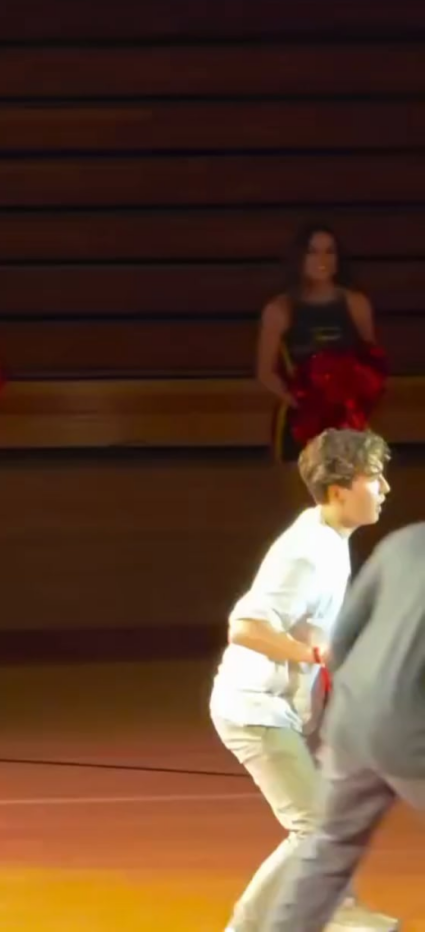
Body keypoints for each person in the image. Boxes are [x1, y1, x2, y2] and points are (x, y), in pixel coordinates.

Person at [209, 427, 397, 931]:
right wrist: (314, 653)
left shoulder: (328, 540)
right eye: (375, 478)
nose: (385, 489)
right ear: (341, 489)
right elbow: (245, 626)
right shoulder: (306, 551)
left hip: (279, 711)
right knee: (316, 830)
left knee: (322, 828)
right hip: (255, 711)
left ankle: (337, 915)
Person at [264, 522, 425, 932]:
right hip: (413, 733)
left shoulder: (401, 542)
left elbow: (340, 645)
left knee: (329, 847)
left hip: (351, 724)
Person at [256, 224, 377, 464]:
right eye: (313, 251)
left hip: (348, 422)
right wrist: (306, 404)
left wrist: (349, 403)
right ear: (300, 258)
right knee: (302, 496)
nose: (322, 259)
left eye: (329, 251)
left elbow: (372, 362)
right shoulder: (279, 309)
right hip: (300, 423)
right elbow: (265, 372)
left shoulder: (356, 303)